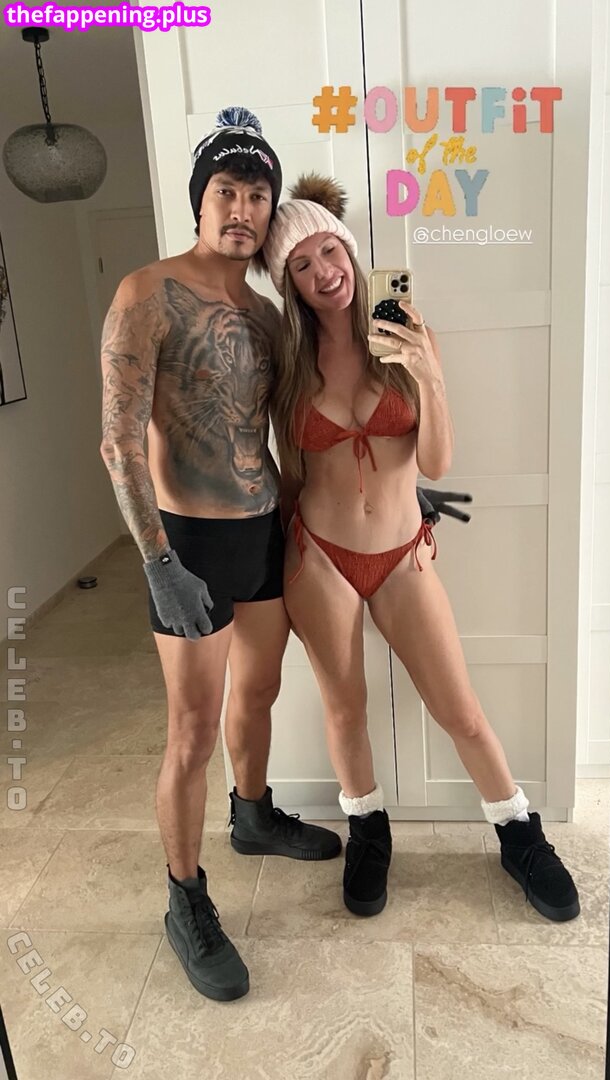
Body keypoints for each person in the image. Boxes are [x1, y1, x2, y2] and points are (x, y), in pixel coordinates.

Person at [99, 106, 473, 1004]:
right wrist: (157, 561)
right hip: (189, 543)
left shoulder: (269, 316)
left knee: (260, 692)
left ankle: (253, 814)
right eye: (226, 191)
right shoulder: (146, 292)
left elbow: (303, 427)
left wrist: (396, 486)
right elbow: (117, 442)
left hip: (268, 530)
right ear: (201, 201)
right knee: (192, 731)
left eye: (256, 195)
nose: (241, 209)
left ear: (272, 212)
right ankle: (185, 900)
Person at [262, 173, 580, 924]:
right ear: (289, 283)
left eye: (329, 250)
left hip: (403, 554)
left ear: (350, 249)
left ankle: (518, 832)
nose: (323, 271)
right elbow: (288, 470)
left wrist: (428, 376)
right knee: (345, 710)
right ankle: (368, 828)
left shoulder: (403, 331)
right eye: (301, 264)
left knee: (458, 709)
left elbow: (434, 460)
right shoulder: (288, 360)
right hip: (321, 556)